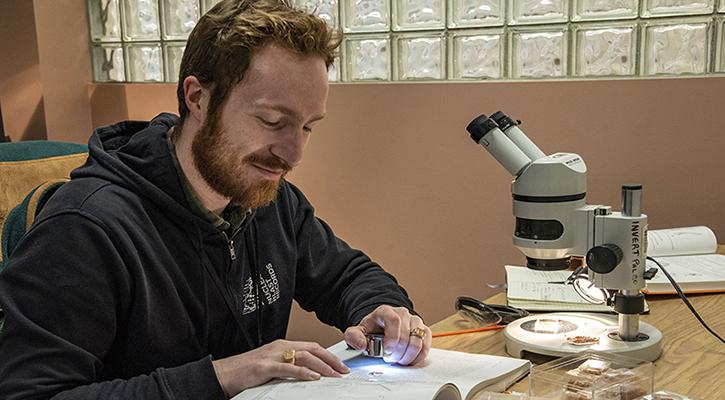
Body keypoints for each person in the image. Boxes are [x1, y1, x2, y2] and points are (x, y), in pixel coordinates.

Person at [0, 1, 431, 398]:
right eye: (272, 120)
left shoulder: (269, 201)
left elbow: (347, 275)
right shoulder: (84, 228)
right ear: (197, 97)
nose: (293, 154)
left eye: (307, 126)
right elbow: (31, 394)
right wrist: (221, 376)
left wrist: (382, 310)